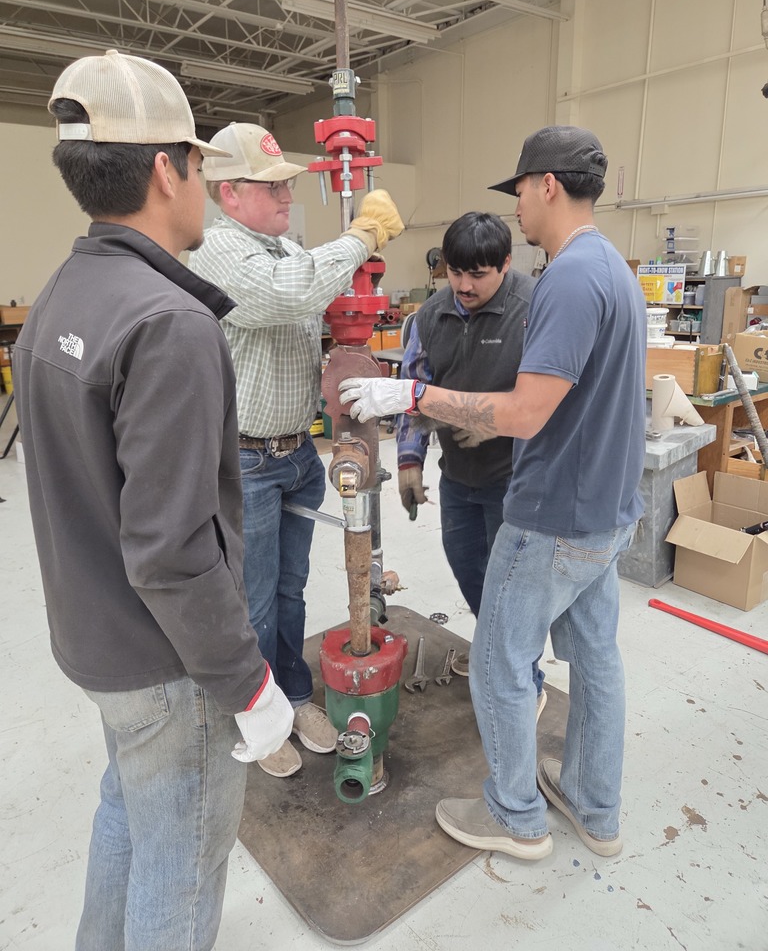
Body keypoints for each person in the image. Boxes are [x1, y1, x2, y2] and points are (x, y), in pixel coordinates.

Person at [13, 50, 295, 951]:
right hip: (165, 665)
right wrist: (249, 682)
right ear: (168, 167)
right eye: (202, 162)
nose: (206, 182)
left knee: (127, 818)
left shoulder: (64, 291)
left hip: (92, 640)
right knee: (182, 864)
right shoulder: (167, 321)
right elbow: (174, 549)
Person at [339, 125, 646, 862]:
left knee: (499, 662)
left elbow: (522, 412)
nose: (519, 213)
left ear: (545, 185)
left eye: (520, 196)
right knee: (596, 658)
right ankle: (594, 806)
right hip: (607, 509)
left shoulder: (568, 278)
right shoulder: (614, 269)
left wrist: (409, 394)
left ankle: (516, 816)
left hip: (553, 514)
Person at [189, 122, 404, 778]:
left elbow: (310, 289)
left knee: (290, 591)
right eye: (272, 186)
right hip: (247, 459)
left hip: (296, 457)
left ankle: (295, 696)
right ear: (229, 193)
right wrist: (360, 235)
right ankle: (257, 718)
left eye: (289, 184)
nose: (288, 197)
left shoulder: (284, 251)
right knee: (252, 599)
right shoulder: (221, 251)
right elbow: (290, 294)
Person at [396, 211, 544, 704]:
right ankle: (499, 656)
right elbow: (413, 389)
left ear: (504, 264)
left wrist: (495, 422)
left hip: (516, 483)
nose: (463, 285)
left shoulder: (533, 309)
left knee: (514, 594)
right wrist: (409, 460)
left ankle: (526, 683)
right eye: (454, 272)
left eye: (477, 274)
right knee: (471, 573)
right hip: (457, 480)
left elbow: (555, 402)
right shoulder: (430, 315)